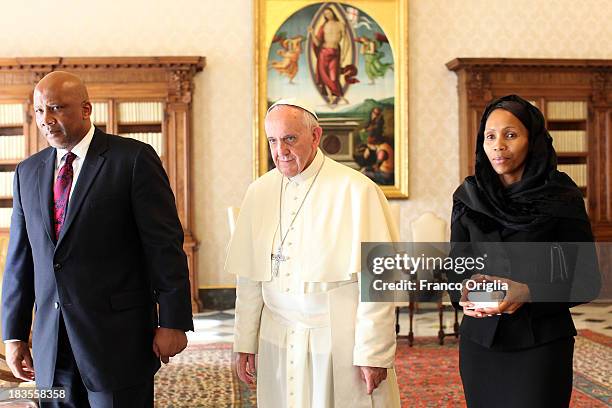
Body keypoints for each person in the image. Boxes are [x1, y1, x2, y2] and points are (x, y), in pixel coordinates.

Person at [1, 71, 193, 407]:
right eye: (40, 111)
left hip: (116, 342)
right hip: (51, 345)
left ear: (86, 109)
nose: (46, 120)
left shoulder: (132, 159)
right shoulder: (26, 173)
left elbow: (163, 247)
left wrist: (173, 321)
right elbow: (21, 260)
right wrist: (14, 335)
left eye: (57, 108)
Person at [225, 98, 401, 407]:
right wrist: (245, 341)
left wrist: (373, 352)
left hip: (338, 340)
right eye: (273, 140)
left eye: (290, 138)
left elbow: (380, 281)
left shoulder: (357, 190)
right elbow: (250, 278)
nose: (281, 150)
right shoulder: (259, 192)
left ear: (315, 136)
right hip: (277, 335)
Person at [448, 94, 601, 408]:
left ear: (533, 140)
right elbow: (455, 269)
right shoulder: (467, 196)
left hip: (541, 344)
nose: (498, 145)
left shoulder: (563, 196)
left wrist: (527, 292)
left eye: (510, 135)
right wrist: (464, 291)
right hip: (480, 342)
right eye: (490, 136)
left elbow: (587, 281)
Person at [308, 8, 357, 105]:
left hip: (334, 53)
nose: (327, 15)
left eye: (328, 12)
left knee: (334, 77)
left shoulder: (340, 25)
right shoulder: (323, 26)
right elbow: (317, 43)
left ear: (333, 13)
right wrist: (312, 33)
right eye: (325, 14)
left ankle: (340, 96)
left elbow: (347, 41)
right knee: (324, 76)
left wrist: (344, 54)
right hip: (323, 52)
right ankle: (330, 98)